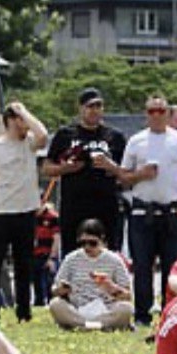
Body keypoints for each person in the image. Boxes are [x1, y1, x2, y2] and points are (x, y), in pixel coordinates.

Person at [117, 95, 177, 327]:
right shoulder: (136, 141)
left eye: (161, 111)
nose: (156, 115)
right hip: (143, 211)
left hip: (172, 211)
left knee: (172, 266)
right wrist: (141, 174)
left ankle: (170, 313)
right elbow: (123, 177)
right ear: (146, 114)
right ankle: (142, 315)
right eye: (151, 111)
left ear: (168, 113)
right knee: (142, 265)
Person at [0, 102, 48, 323]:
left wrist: (24, 112)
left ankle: (24, 311)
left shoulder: (29, 143)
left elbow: (43, 135)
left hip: (26, 210)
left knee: (24, 264)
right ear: (11, 120)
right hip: (0, 211)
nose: (26, 124)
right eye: (21, 120)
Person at [43, 88, 128, 256]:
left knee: (108, 255)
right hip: (74, 206)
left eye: (98, 106)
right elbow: (47, 168)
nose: (95, 110)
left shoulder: (115, 136)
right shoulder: (66, 134)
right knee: (73, 255)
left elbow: (127, 174)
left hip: (106, 206)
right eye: (90, 106)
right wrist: (66, 168)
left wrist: (111, 166)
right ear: (81, 108)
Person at [48, 218, 133, 331]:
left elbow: (128, 296)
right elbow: (55, 290)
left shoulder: (114, 260)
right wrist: (62, 289)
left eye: (92, 243)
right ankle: (95, 325)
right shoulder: (71, 259)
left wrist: (111, 287)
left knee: (126, 308)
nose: (87, 247)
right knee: (55, 304)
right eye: (83, 243)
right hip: (77, 308)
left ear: (102, 240)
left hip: (106, 308)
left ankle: (85, 325)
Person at [32, 200, 60, 307]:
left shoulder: (52, 217)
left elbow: (56, 238)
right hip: (34, 254)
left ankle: (51, 303)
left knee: (49, 282)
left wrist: (52, 257)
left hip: (47, 253)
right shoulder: (31, 217)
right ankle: (38, 303)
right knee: (36, 282)